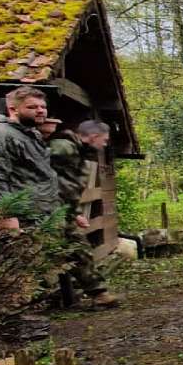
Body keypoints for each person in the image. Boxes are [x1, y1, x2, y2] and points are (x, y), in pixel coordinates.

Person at [49, 120, 119, 308]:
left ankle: (98, 293)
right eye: (104, 141)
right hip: (48, 210)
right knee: (76, 248)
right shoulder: (63, 148)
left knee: (78, 248)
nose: (104, 145)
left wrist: (75, 212)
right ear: (94, 136)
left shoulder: (74, 149)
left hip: (60, 209)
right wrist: (70, 211)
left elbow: (67, 186)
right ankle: (98, 293)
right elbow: (57, 183)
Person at [0, 86, 59, 230]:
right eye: (32, 107)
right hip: (22, 219)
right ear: (13, 110)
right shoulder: (0, 134)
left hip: (41, 216)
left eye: (43, 106)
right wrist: (6, 215)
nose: (40, 110)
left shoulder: (32, 133)